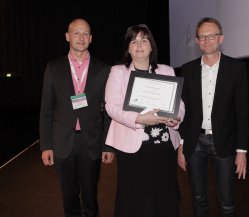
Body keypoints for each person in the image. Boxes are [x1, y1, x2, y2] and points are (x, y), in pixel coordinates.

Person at [105, 24, 185, 217]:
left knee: (164, 197)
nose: (139, 44)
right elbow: (112, 107)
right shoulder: (118, 72)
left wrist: (176, 118)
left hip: (164, 147)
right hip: (133, 148)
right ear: (128, 48)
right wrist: (140, 118)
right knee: (134, 200)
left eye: (144, 40)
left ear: (151, 47)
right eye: (134, 41)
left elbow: (180, 104)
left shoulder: (167, 70)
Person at [39, 18, 114, 217]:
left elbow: (108, 111)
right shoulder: (53, 68)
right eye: (76, 33)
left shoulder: (104, 69)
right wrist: (46, 145)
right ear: (67, 36)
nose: (81, 37)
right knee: (68, 197)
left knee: (91, 197)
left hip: (91, 142)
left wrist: (107, 146)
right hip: (62, 142)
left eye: (85, 34)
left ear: (91, 38)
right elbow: (46, 109)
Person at [177, 17, 249, 217]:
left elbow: (242, 112)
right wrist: (182, 144)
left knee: (227, 202)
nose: (207, 40)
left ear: (221, 38)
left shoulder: (236, 68)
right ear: (197, 41)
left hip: (224, 142)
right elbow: (184, 110)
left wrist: (241, 150)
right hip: (194, 142)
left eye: (211, 36)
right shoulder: (188, 69)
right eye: (202, 36)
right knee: (198, 198)